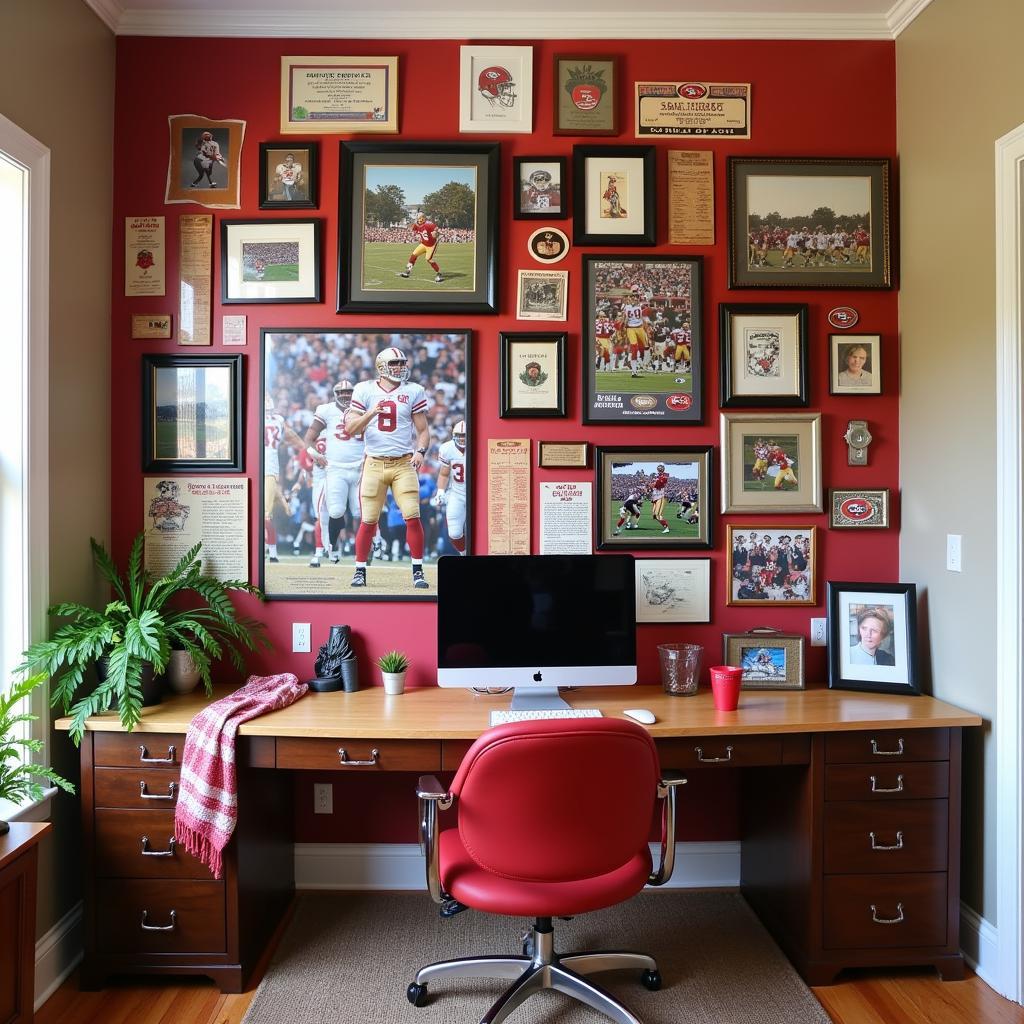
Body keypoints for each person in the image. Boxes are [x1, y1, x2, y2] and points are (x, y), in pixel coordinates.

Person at [344, 347, 431, 590]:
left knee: (413, 516)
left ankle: (417, 571)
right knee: (368, 520)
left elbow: (423, 430)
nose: (400, 367)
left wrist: (420, 452)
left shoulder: (413, 390)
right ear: (381, 365)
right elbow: (351, 429)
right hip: (373, 462)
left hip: (403, 462)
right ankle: (360, 571)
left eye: (402, 363)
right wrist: (371, 412)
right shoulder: (364, 389)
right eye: (394, 363)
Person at [303, 380, 366, 567]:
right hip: (331, 471)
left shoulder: (363, 408)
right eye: (342, 392)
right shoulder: (326, 412)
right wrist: (315, 456)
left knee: (360, 512)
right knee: (329, 512)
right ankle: (327, 548)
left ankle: (371, 545)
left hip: (358, 467)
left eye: (349, 391)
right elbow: (308, 439)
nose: (346, 395)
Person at [264, 394, 305, 564]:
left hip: (255, 467)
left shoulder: (251, 417)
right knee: (266, 515)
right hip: (270, 469)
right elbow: (293, 438)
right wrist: (307, 450)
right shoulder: (279, 420)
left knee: (260, 515)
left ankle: (270, 552)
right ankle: (272, 552)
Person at [434, 420, 468, 554]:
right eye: (459, 435)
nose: (462, 438)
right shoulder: (446, 448)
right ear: (453, 434)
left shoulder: (479, 444)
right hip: (457, 493)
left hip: (478, 494)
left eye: (465, 435)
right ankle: (465, 554)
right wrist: (440, 491)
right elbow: (443, 474)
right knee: (454, 533)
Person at [399, 213, 444, 284]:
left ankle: (439, 273)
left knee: (428, 259)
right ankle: (407, 271)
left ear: (423, 218)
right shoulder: (417, 224)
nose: (418, 220)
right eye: (417, 218)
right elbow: (412, 228)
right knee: (414, 254)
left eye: (419, 218)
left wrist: (435, 233)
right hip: (424, 244)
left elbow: (435, 232)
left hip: (431, 245)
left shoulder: (429, 224)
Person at [648, 464, 672, 534]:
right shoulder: (657, 476)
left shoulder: (664, 476)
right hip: (655, 497)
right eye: (659, 469)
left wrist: (652, 484)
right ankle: (665, 526)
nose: (659, 470)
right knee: (655, 515)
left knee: (657, 514)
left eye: (660, 468)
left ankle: (666, 528)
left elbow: (658, 485)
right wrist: (650, 485)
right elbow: (653, 486)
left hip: (660, 496)